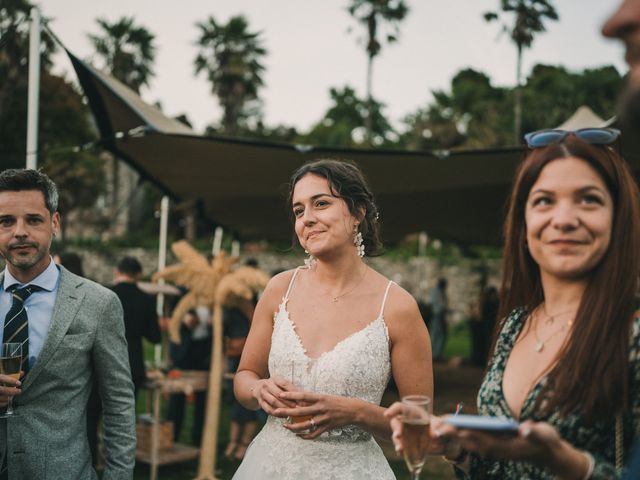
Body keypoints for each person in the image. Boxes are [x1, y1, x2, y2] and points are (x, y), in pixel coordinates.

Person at [388, 130, 640, 478]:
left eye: (589, 200)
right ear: (523, 224)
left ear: (618, 218)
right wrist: (457, 448)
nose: (563, 219)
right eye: (544, 201)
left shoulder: (633, 333)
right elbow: (501, 466)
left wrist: (564, 461)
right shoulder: (515, 324)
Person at [232, 159, 433, 479]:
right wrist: (258, 389)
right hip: (270, 465)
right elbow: (244, 376)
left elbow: (419, 429)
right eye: (299, 211)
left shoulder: (396, 307)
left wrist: (356, 412)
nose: (307, 219)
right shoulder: (279, 289)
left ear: (358, 212)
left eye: (321, 203)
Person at [0, 168, 135, 479]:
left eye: (33, 220)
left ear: (55, 223)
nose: (20, 231)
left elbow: (119, 404)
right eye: (6, 221)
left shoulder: (98, 303)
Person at [111, 255, 161, 398]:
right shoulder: (147, 300)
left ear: (117, 272)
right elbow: (155, 337)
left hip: (104, 363)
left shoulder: (105, 294)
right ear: (138, 275)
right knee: (125, 414)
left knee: (95, 415)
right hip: (133, 365)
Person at [167, 303, 211, 445]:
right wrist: (185, 321)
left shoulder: (213, 302)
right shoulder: (185, 297)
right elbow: (173, 319)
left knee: (202, 404)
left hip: (204, 355)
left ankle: (198, 441)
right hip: (184, 354)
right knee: (176, 402)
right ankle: (172, 438)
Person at [428, 277, 449, 360]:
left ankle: (437, 354)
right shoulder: (436, 292)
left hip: (440, 315)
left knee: (441, 334)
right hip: (436, 315)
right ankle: (434, 355)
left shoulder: (441, 292)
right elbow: (437, 305)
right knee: (437, 334)